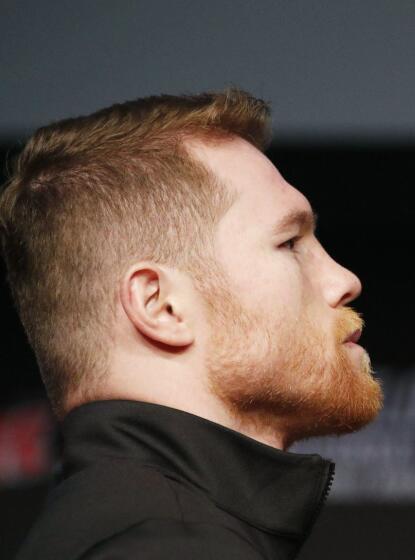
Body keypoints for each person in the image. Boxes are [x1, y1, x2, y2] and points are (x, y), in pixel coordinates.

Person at [1, 90, 383, 559]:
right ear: (162, 307)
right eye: (288, 242)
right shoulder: (170, 544)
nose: (344, 280)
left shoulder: (114, 527)